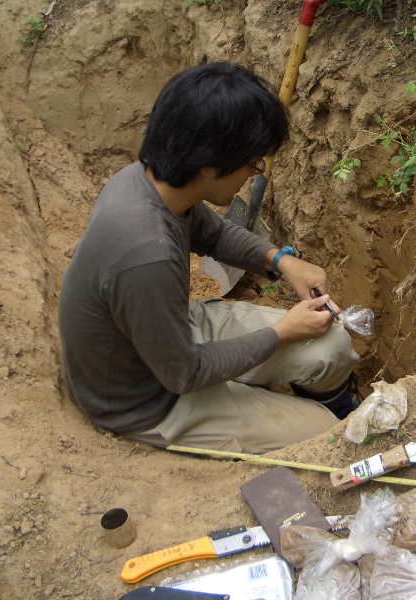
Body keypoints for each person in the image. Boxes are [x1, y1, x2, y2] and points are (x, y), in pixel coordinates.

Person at [57, 61, 361, 455]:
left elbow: (213, 234)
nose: (253, 174)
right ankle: (321, 422)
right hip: (146, 397)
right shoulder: (146, 254)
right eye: (251, 163)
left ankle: (320, 408)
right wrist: (283, 332)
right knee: (325, 434)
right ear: (208, 164)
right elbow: (185, 372)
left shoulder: (146, 179)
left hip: (169, 334)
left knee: (331, 343)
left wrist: (283, 261)